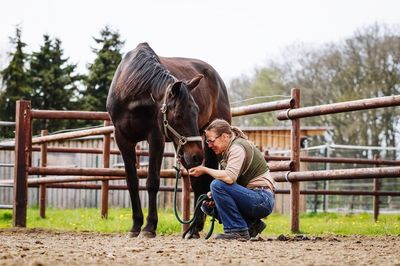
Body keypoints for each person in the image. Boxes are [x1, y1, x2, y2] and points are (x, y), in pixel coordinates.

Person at [188, 119, 275, 240]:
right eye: (207, 142)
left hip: (262, 199)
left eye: (211, 141)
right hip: (256, 197)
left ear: (224, 136)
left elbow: (229, 178)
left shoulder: (237, 148)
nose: (209, 145)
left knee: (216, 185)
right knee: (207, 205)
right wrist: (214, 195)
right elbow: (231, 185)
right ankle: (251, 226)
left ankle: (237, 230)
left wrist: (204, 170)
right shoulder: (228, 151)